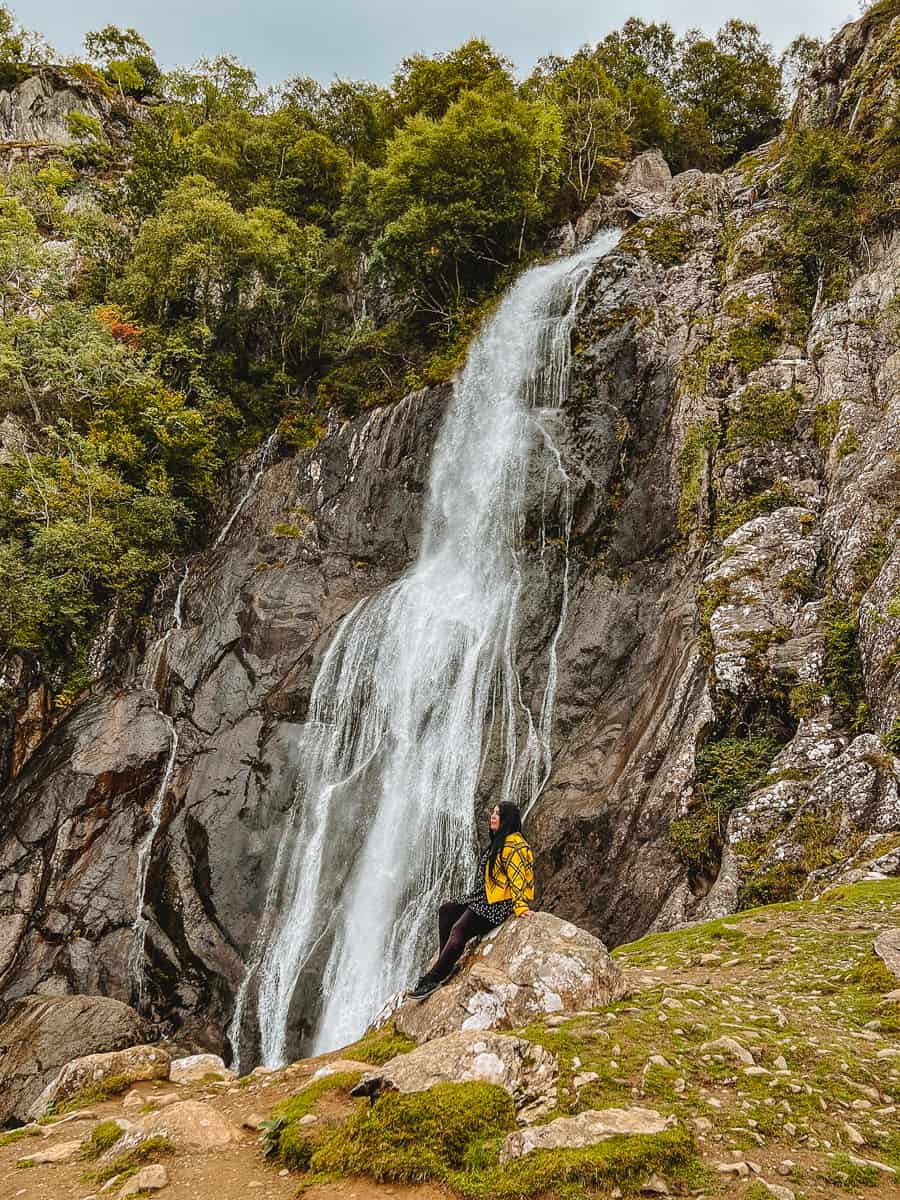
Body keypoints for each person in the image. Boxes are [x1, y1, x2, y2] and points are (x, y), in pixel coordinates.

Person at [407, 800, 535, 999]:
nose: (492, 816)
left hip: (497, 904)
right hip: (483, 898)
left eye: (497, 814)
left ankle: (433, 978)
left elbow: (518, 877)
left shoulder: (515, 845)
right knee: (447, 910)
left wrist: (520, 906)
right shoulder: (501, 842)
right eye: (493, 812)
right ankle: (446, 963)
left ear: (507, 819)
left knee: (459, 929)